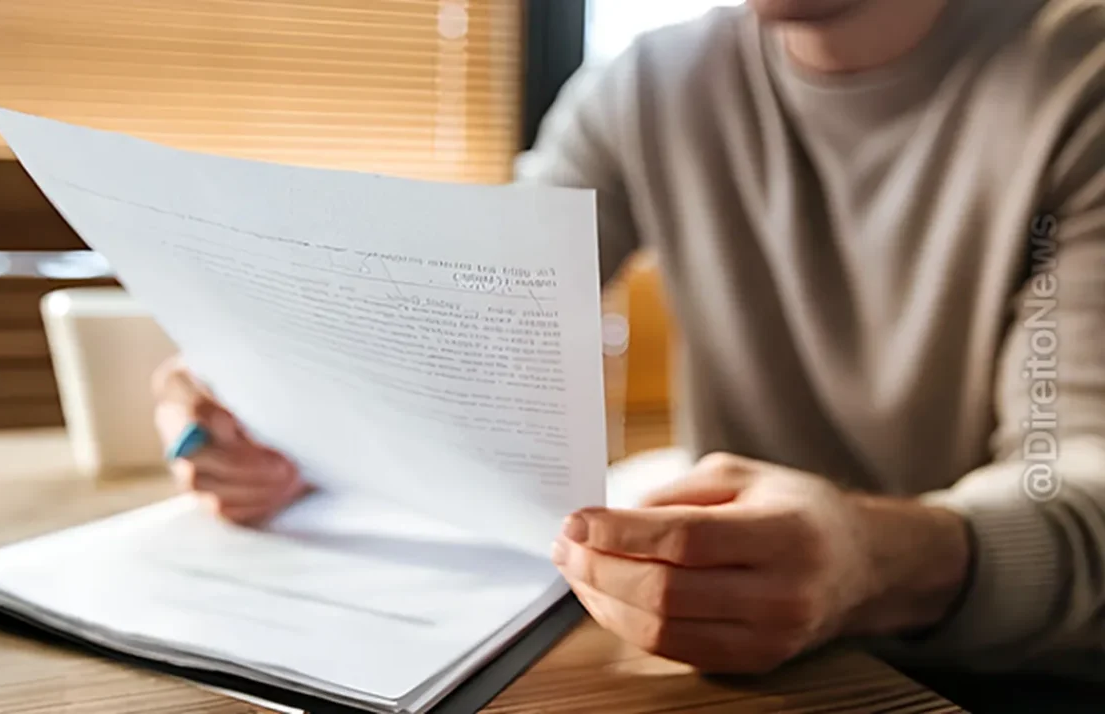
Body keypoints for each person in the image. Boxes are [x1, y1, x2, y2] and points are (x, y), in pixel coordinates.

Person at [153, 0, 1105, 706]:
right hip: (731, 678)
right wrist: (275, 396)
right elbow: (468, 314)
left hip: (1019, 679)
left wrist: (877, 564)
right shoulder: (650, 84)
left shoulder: (1079, 77)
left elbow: (1083, 484)